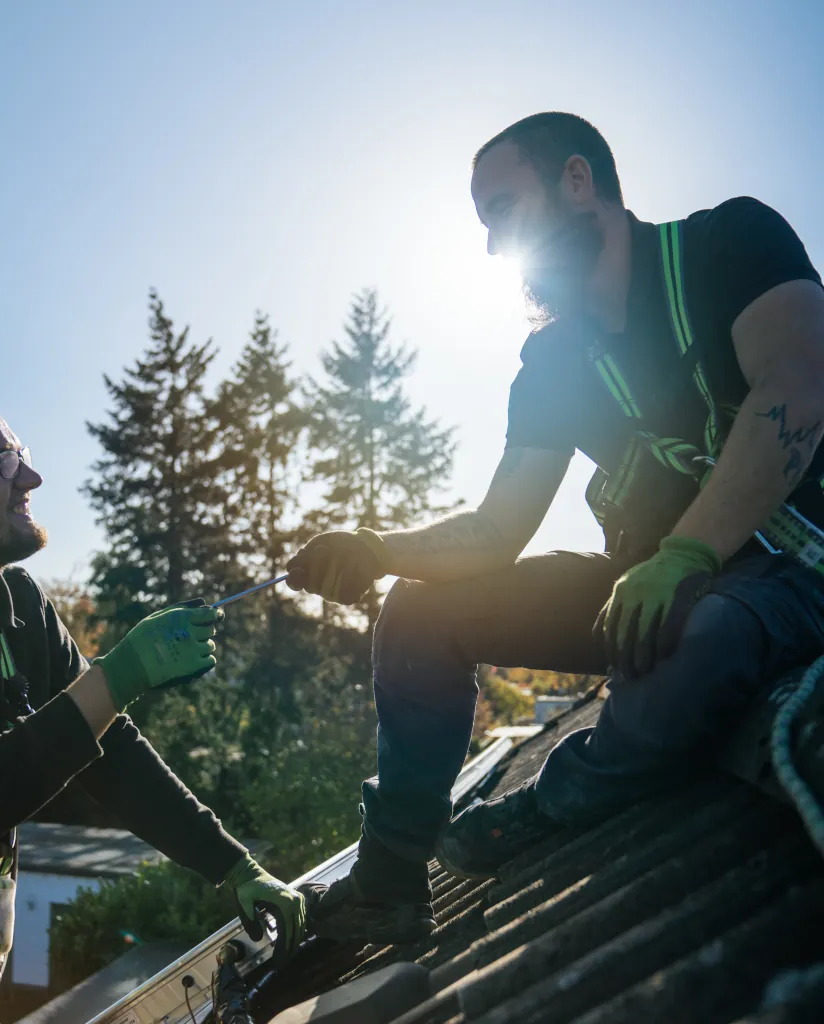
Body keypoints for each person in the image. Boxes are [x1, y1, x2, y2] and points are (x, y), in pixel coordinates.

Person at [287, 112, 824, 945]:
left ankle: (555, 801)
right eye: (484, 225)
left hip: (789, 571)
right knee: (421, 612)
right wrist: (377, 549)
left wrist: (686, 551)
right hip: (643, 588)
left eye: (504, 210)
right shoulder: (552, 364)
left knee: (704, 634)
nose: (496, 244)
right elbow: (499, 529)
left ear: (578, 181)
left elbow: (800, 382)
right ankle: (387, 884)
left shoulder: (729, 245)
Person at [0, 376, 305, 1023]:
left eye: (22, 452)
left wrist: (233, 866)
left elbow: (107, 747)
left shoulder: (21, 609)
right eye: (2, 463)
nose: (30, 478)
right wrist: (118, 675)